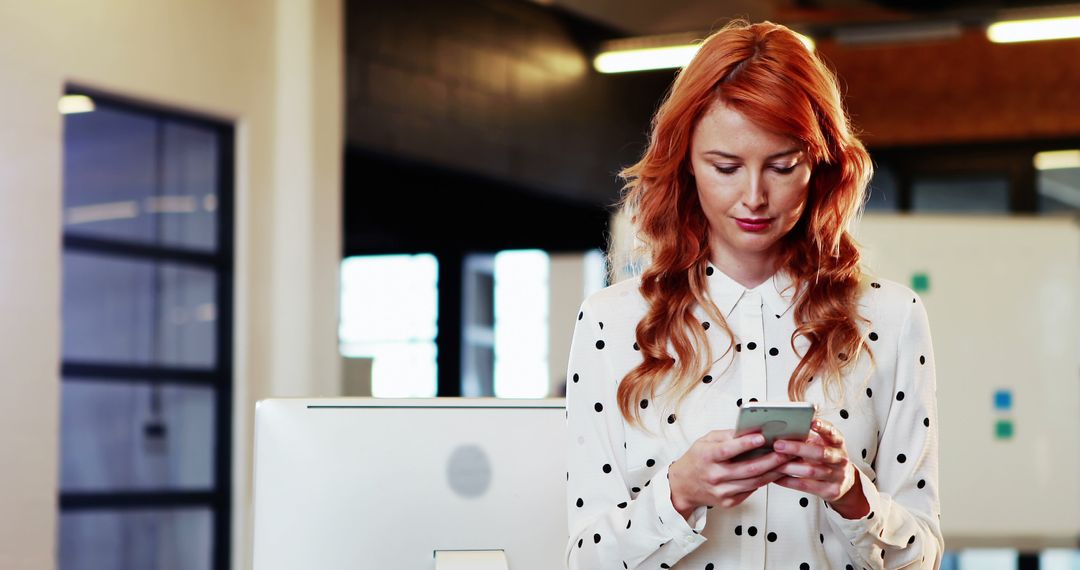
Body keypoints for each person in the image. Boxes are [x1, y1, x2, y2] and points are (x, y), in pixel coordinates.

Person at [563, 19, 943, 569]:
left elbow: (924, 557)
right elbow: (585, 561)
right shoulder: (611, 322)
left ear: (822, 164)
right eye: (725, 167)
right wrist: (679, 493)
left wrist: (851, 494)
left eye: (783, 165)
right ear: (686, 164)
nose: (754, 197)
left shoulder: (891, 317)